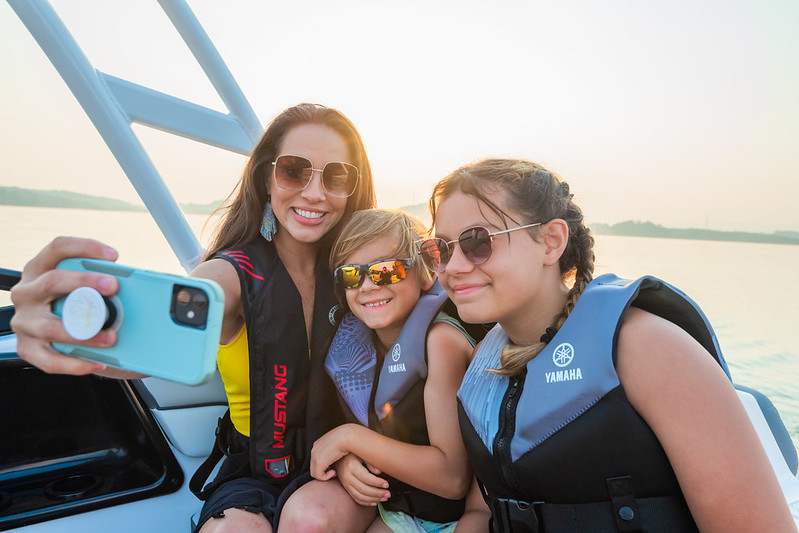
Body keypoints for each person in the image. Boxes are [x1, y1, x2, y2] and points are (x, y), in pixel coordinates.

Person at [9, 103, 378, 533]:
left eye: (335, 177)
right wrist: (65, 330)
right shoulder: (230, 276)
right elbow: (153, 336)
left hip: (342, 462)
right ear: (266, 177)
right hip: (253, 469)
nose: (314, 193)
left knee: (309, 520)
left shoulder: (367, 275)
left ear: (353, 189)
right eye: (295, 171)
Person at [419, 158, 797, 532]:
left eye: (477, 242)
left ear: (551, 242)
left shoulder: (648, 348)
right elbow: (482, 512)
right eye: (441, 250)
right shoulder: (485, 364)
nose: (452, 268)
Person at [277, 209, 476, 533]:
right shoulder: (352, 345)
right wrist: (346, 459)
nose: (368, 286)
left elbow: (452, 479)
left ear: (426, 274)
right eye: (352, 276)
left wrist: (350, 438)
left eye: (386, 271)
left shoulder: (441, 342)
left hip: (452, 517)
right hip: (394, 508)